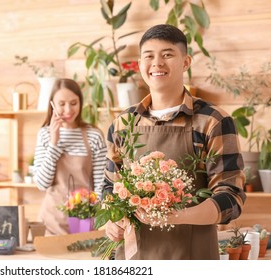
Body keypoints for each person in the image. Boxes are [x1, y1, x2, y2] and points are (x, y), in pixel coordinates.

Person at [102, 24, 246, 260]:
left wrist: (176, 216)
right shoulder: (123, 123)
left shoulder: (212, 121)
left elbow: (231, 197)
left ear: (186, 62)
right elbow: (110, 187)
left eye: (167, 54)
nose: (157, 63)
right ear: (140, 64)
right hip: (133, 258)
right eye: (149, 56)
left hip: (191, 257)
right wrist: (112, 220)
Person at [33, 78, 107, 235]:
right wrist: (54, 143)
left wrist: (93, 217)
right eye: (61, 104)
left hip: (85, 222)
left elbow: (101, 183)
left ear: (80, 103)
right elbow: (42, 184)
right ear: (52, 104)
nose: (68, 110)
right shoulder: (45, 135)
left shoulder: (94, 136)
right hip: (52, 222)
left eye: (74, 103)